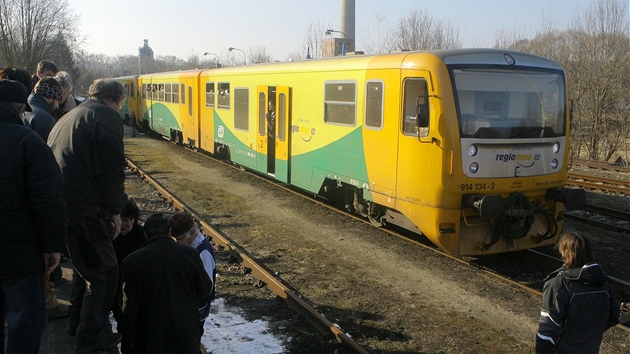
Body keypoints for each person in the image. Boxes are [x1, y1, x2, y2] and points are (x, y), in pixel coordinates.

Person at [48, 78, 128, 353]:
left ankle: (76, 325)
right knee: (105, 274)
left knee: (87, 272)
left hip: (65, 208)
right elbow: (111, 169)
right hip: (85, 213)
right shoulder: (104, 116)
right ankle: (91, 337)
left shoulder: (70, 116)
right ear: (117, 100)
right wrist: (116, 210)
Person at [0, 79, 67, 353]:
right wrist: (53, 248)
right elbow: (49, 201)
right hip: (21, 260)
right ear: (19, 110)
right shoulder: (29, 142)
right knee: (25, 323)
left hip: (20, 257)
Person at [119, 213, 212, 353]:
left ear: (145, 234)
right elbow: (204, 289)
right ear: (169, 232)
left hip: (150, 337)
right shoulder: (190, 255)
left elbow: (128, 308)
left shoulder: (131, 262)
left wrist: (129, 341)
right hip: (185, 333)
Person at [536, 232, 620, 354]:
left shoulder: (559, 284)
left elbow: (548, 329)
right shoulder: (604, 282)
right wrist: (590, 332)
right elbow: (615, 316)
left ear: (565, 252)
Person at [170, 211, 217, 337]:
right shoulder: (192, 247)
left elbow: (207, 285)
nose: (178, 242)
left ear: (192, 233)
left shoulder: (203, 253)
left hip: (197, 307)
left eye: (180, 239)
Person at [112, 198, 146, 352]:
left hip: (133, 284)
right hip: (115, 282)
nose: (129, 224)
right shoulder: (111, 233)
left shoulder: (140, 234)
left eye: (132, 220)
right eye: (125, 220)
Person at [23, 76, 64, 141]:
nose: (57, 106)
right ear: (50, 97)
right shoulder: (46, 120)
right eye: (57, 100)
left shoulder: (20, 109)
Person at [266, 99, 276, 174]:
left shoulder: (274, 115)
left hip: (273, 138)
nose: (269, 107)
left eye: (270, 105)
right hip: (271, 137)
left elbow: (272, 128)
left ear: (274, 106)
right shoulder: (272, 113)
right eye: (269, 105)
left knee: (272, 153)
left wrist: (268, 120)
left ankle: (272, 167)